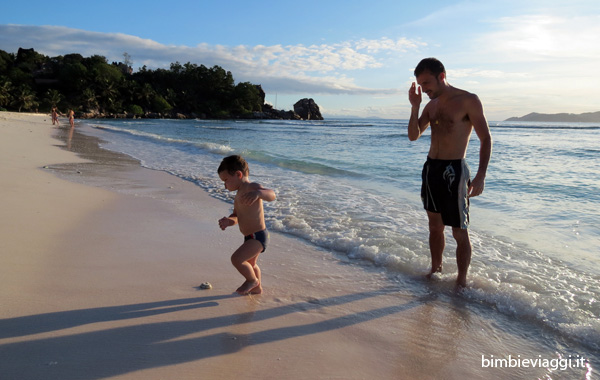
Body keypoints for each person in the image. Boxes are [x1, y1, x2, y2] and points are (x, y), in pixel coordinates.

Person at [407, 57, 492, 288]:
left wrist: (481, 175)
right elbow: (414, 136)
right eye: (420, 85)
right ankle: (435, 271)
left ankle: (461, 281)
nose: (424, 89)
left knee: (459, 229)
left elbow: (485, 139)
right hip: (431, 169)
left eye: (426, 83)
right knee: (434, 226)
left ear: (442, 76)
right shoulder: (430, 105)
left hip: (455, 170)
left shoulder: (468, 100)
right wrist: (414, 107)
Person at [218, 155, 276, 295]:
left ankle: (252, 281)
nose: (225, 185)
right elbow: (237, 216)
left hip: (258, 236)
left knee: (237, 259)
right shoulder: (238, 195)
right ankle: (257, 288)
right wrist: (229, 221)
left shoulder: (252, 188)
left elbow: (272, 194)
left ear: (238, 174)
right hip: (249, 237)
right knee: (251, 264)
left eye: (226, 180)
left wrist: (258, 193)